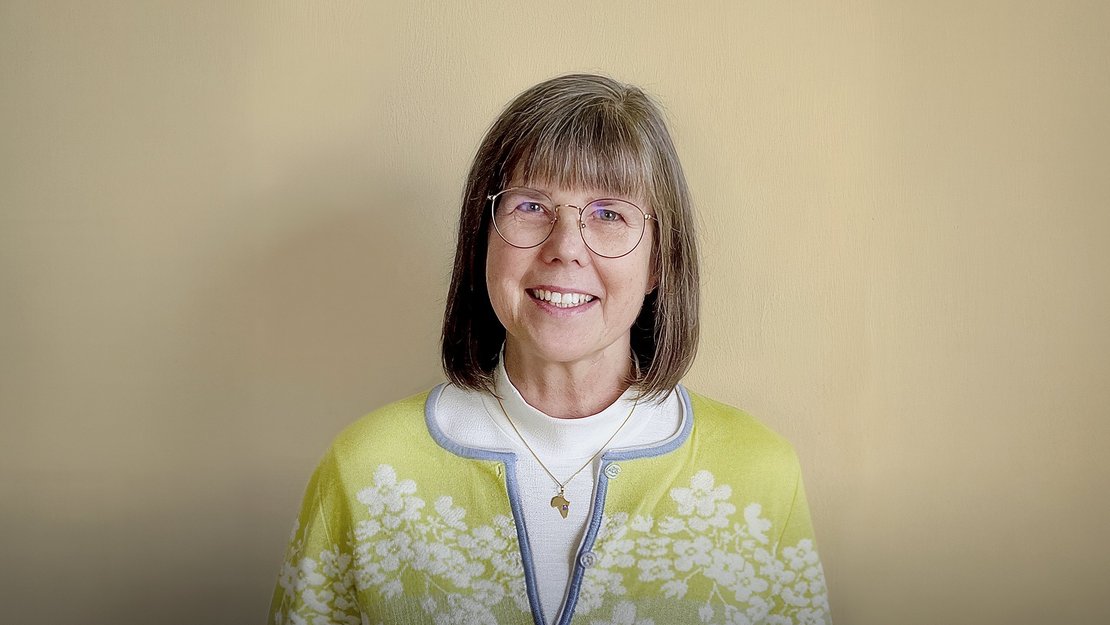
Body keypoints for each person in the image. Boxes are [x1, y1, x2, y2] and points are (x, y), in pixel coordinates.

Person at [269, 73, 831, 625]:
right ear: (482, 239)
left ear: (659, 261)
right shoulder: (367, 472)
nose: (565, 248)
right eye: (531, 206)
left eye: (609, 214)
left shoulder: (759, 477)